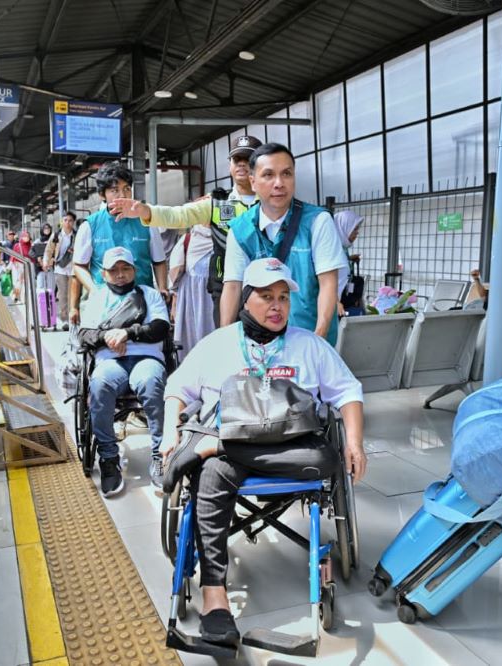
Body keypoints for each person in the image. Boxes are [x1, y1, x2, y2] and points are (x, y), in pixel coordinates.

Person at [160, 258, 366, 647]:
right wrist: (170, 429)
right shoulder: (219, 343)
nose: (277, 306)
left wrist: (354, 441)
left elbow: (348, 391)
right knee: (210, 477)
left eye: (283, 298)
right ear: (246, 300)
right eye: (267, 297)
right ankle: (215, 599)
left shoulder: (310, 346)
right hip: (231, 454)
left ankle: (215, 446)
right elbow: (177, 387)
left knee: (327, 459)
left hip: (285, 447)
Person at [107, 135, 263, 327]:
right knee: (230, 339)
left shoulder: (271, 203)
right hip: (225, 289)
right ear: (230, 164)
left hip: (265, 286)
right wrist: (146, 211)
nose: (241, 164)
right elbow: (179, 215)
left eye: (248, 159)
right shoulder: (216, 202)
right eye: (236, 159)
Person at [221, 143, 347, 344]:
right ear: (253, 182)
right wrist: (225, 342)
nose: (279, 183)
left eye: (286, 174)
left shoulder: (318, 221)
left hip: (309, 338)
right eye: (268, 175)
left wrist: (318, 342)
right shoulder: (240, 229)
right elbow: (233, 287)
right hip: (259, 345)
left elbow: (328, 284)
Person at [79, 246, 171, 496]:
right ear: (104, 274)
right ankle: (109, 457)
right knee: (99, 385)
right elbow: (84, 334)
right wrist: (108, 337)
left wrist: (127, 333)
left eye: (125, 269)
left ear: (134, 270)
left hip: (146, 358)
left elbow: (160, 328)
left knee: (152, 382)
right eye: (114, 270)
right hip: (110, 361)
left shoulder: (150, 295)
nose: (120, 275)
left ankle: (160, 455)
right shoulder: (97, 298)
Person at [70, 161, 168, 326]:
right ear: (102, 195)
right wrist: (95, 291)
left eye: (127, 188)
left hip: (142, 303)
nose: (122, 195)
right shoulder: (90, 226)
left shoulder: (147, 222)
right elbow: (79, 265)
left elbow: (159, 261)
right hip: (105, 306)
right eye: (115, 190)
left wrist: (163, 288)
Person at [168, 225, 215, 358]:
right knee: (191, 343)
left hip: (218, 298)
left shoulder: (228, 238)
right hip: (191, 300)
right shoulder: (187, 240)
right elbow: (175, 277)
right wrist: (175, 304)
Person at [48, 211, 76, 331]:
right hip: (60, 269)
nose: (67, 223)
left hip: (74, 269)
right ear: (62, 222)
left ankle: (72, 318)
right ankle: (65, 320)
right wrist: (46, 261)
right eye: (65, 220)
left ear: (73, 222)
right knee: (62, 295)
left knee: (73, 295)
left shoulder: (77, 235)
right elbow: (49, 250)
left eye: (70, 220)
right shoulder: (56, 235)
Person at [334, 211, 364, 317]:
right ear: (343, 228)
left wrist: (349, 259)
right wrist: (335, 302)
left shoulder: (342, 248)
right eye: (354, 229)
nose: (357, 233)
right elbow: (323, 280)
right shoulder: (332, 251)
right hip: (333, 305)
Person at [10, 230, 33, 304]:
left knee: (26, 283)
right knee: (19, 282)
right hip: (18, 266)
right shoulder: (17, 245)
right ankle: (16, 296)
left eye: (28, 236)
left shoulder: (31, 246)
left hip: (28, 266)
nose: (26, 238)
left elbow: (33, 257)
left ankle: (24, 298)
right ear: (22, 237)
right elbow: (13, 256)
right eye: (25, 236)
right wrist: (10, 266)